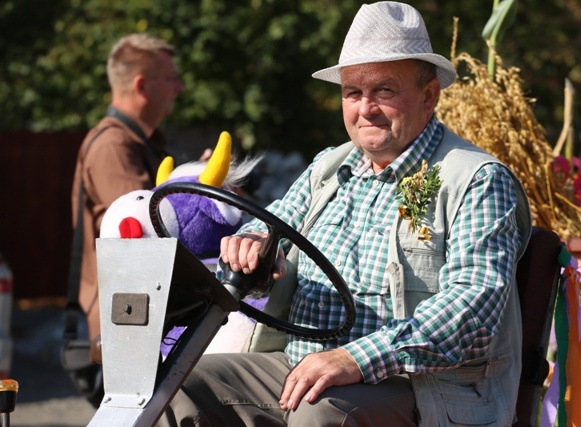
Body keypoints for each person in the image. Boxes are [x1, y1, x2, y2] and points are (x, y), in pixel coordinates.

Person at [159, 2, 532, 426]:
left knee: (318, 416)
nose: (365, 108)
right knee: (174, 385)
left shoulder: (477, 179)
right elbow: (272, 227)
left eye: (384, 91)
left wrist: (354, 359)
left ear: (429, 96)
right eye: (353, 93)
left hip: (419, 385)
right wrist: (253, 245)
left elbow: (472, 310)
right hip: (300, 368)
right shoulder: (330, 167)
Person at [71, 33, 184, 341]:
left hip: (137, 315)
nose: (180, 87)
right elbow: (149, 227)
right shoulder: (113, 145)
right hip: (127, 323)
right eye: (172, 78)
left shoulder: (136, 142)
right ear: (142, 86)